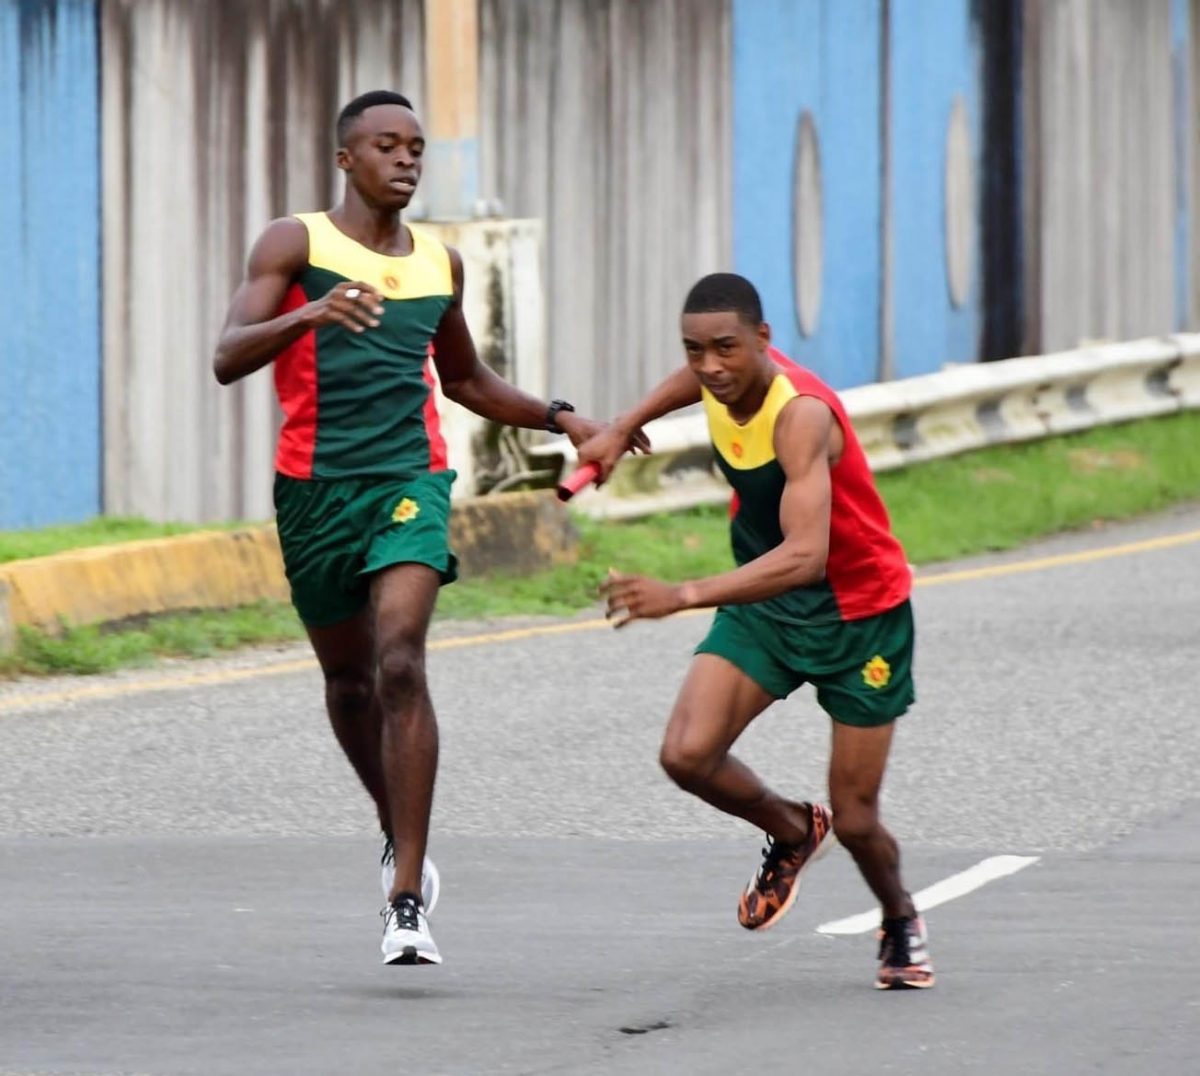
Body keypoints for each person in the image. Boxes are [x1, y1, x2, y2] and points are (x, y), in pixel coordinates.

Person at [212, 90, 621, 966]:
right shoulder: (296, 243)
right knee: (350, 683)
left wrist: (563, 417)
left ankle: (406, 898)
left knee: (401, 657)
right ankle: (398, 829)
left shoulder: (441, 264)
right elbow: (226, 355)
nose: (406, 160)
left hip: (410, 479)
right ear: (345, 160)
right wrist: (308, 315)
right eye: (387, 146)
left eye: (417, 148)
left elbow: (467, 380)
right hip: (314, 492)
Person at [578, 272, 934, 990]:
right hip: (767, 609)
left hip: (858, 618)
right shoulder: (715, 379)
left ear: (764, 342)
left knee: (861, 819)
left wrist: (682, 593)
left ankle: (898, 917)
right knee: (687, 753)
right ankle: (796, 830)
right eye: (695, 349)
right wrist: (622, 424)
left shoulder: (801, 415)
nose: (710, 367)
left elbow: (806, 556)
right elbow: (691, 378)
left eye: (726, 349)